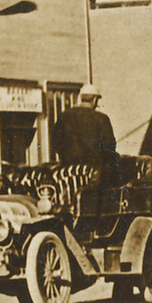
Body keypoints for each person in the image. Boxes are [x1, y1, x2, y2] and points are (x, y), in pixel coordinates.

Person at [51, 84, 118, 213]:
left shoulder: (64, 116)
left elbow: (56, 143)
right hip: (94, 172)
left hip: (68, 171)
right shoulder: (101, 118)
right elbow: (109, 146)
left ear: (81, 98)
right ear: (95, 100)